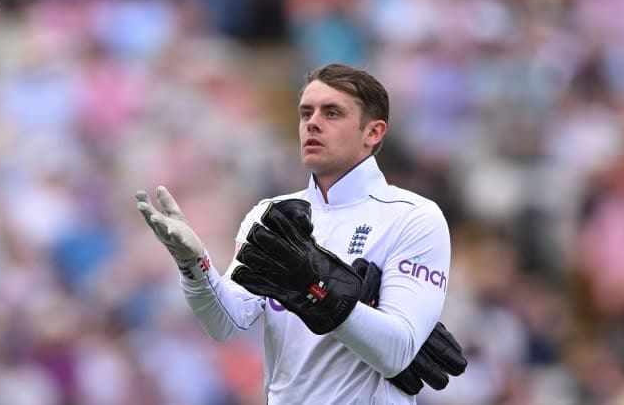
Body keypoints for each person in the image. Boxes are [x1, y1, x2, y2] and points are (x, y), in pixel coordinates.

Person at [136, 63, 462, 404]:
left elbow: (398, 352)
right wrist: (193, 265)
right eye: (306, 112)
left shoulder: (414, 217)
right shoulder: (271, 215)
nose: (313, 123)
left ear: (373, 132)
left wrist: (314, 286)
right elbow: (226, 324)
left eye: (332, 113)